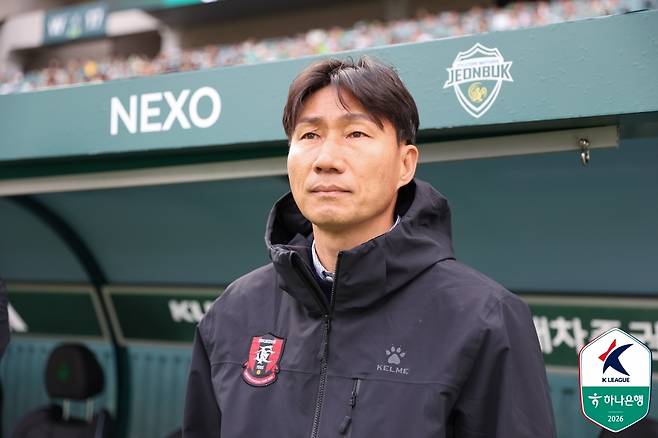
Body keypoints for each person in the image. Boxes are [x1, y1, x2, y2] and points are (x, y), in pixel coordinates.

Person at [183, 56, 556, 437]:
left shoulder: (486, 319)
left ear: (405, 164)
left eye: (356, 134)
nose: (326, 160)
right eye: (309, 136)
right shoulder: (232, 313)